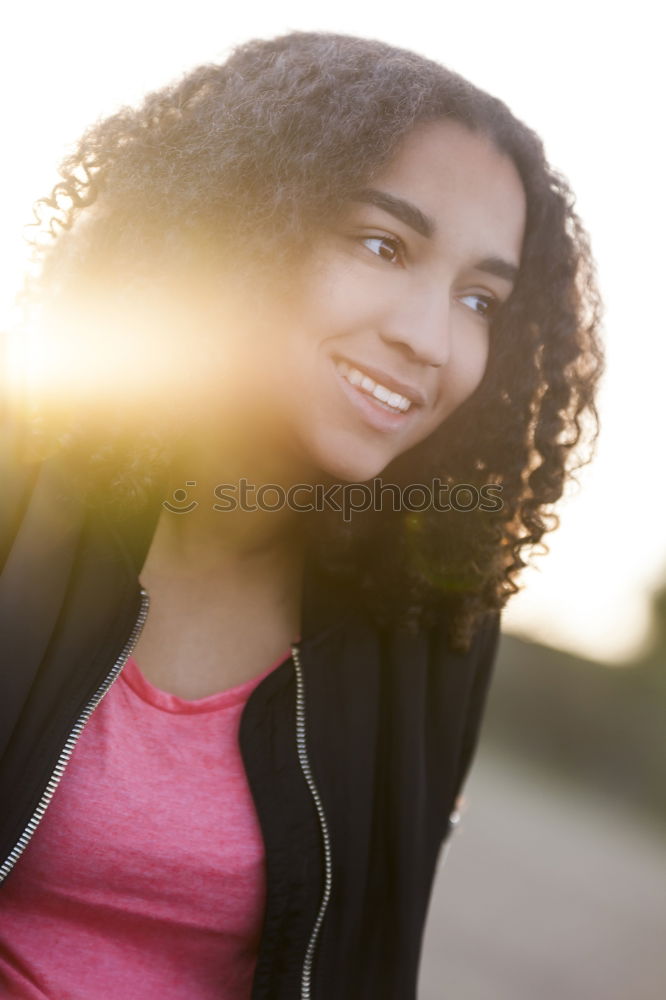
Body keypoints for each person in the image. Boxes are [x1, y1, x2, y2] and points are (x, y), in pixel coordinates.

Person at [0, 29, 603, 1000]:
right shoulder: (19, 487)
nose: (430, 338)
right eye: (381, 244)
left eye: (480, 299)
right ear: (239, 224)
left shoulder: (434, 623)